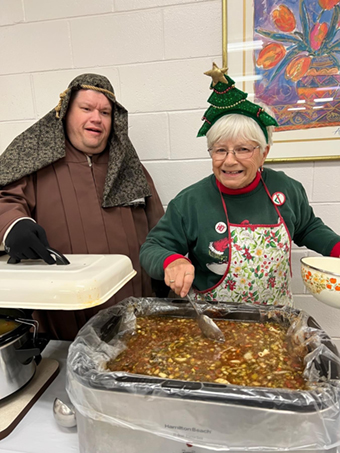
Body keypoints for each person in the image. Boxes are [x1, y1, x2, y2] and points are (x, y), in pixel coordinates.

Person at [140, 63, 340, 306]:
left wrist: (336, 248)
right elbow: (153, 247)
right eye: (220, 150)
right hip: (214, 324)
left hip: (274, 321)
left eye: (243, 149)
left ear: (264, 153)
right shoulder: (190, 201)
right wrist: (172, 261)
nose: (229, 160)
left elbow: (307, 227)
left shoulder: (287, 188)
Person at [0, 73, 165, 340]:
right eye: (86, 108)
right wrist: (13, 226)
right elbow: (5, 199)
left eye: (105, 112)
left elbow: (160, 229)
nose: (96, 118)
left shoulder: (132, 169)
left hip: (132, 317)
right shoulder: (33, 164)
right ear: (65, 113)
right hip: (62, 321)